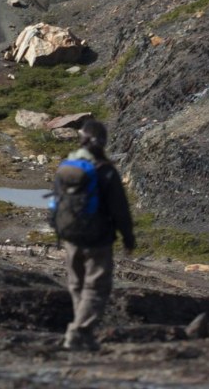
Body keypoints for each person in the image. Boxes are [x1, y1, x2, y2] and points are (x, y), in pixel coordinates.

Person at [59, 119, 135, 352]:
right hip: (97, 238)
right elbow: (119, 209)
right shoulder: (106, 170)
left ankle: (84, 336)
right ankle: (78, 332)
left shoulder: (68, 164)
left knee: (77, 285)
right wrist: (128, 237)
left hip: (69, 236)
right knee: (96, 287)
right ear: (103, 141)